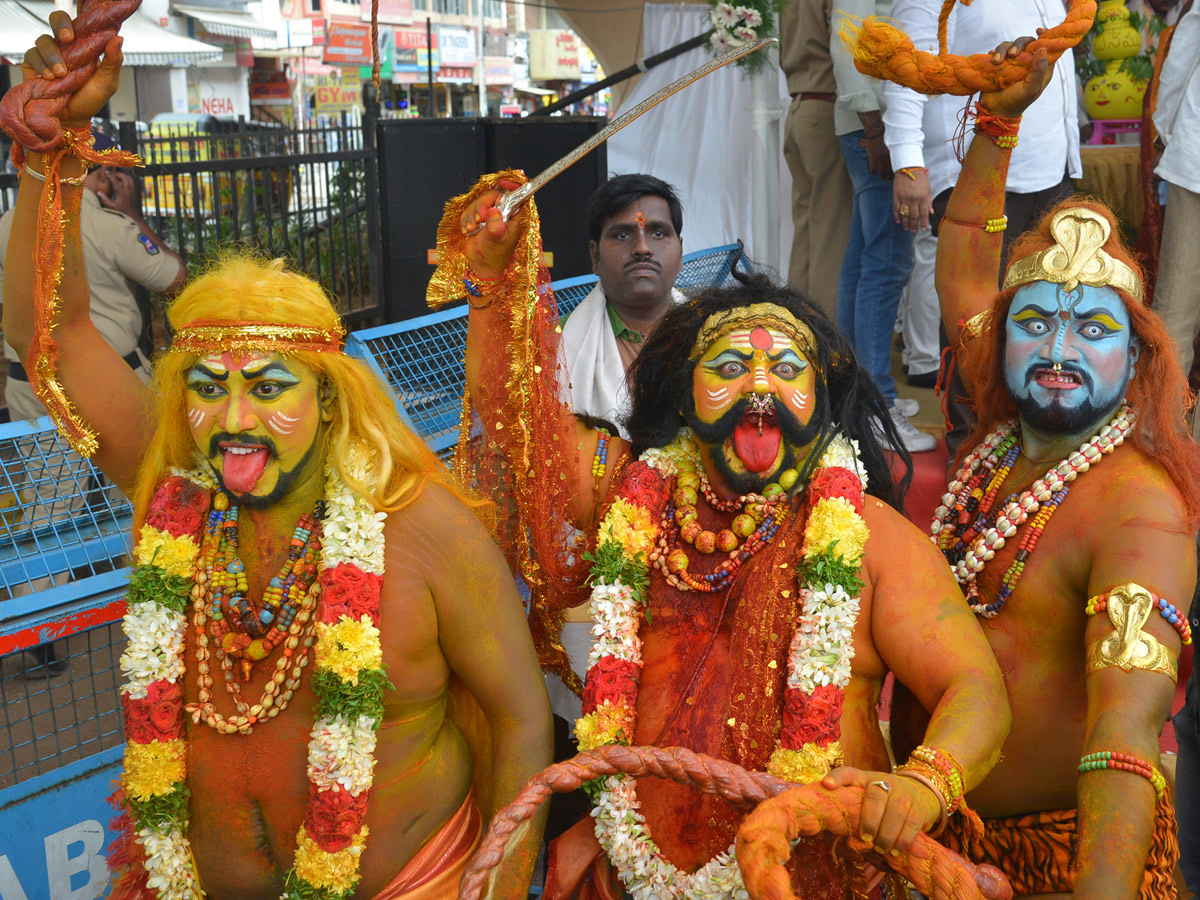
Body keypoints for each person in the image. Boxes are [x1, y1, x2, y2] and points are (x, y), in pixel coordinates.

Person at [5, 21, 551, 900]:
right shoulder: (175, 491)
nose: (233, 419)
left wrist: (502, 885)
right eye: (209, 387)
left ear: (329, 400)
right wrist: (49, 149)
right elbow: (52, 337)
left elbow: (522, 719)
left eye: (268, 387)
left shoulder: (423, 530)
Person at [433, 164, 1011, 897]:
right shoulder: (633, 497)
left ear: (820, 398)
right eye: (731, 366)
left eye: (786, 370)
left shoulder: (868, 536)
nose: (759, 387)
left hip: (810, 877)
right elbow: (525, 440)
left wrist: (925, 785)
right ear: (685, 392)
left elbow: (976, 688)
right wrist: (490, 284)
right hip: (633, 874)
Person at [888, 36, 1199, 898]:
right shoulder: (998, 444)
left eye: (1093, 330)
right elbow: (961, 251)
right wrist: (1000, 119)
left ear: (1136, 362)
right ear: (999, 336)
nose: (1059, 347)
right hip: (937, 843)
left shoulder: (1141, 512)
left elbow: (1126, 732)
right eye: (1037, 323)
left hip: (1062, 866)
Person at [882, 0, 1082, 450]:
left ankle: (1037, 444)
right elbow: (907, 68)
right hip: (976, 175)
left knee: (1049, 316)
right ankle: (968, 453)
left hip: (1051, 172)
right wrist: (908, 164)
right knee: (973, 324)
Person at [0, 132, 185, 420]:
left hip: (31, 389)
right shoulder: (110, 227)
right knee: (130, 466)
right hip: (110, 382)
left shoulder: (7, 226)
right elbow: (176, 283)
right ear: (104, 173)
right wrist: (132, 214)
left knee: (43, 466)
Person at [830, 0, 933, 454]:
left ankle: (856, 396)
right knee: (887, 261)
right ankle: (875, 408)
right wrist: (875, 128)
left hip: (872, 123)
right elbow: (847, 39)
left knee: (864, 257)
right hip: (873, 125)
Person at [561, 174, 685, 439]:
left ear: (681, 251)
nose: (642, 248)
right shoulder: (553, 345)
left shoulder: (718, 332)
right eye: (622, 234)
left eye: (658, 232)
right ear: (595, 257)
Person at [779, 0, 852, 320]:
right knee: (830, 234)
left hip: (798, 108)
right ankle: (824, 331)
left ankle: (796, 320)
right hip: (824, 108)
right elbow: (845, 45)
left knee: (807, 229)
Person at [1148, 2, 1200, 439]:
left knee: (1177, 311)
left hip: (1197, 161)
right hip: (1194, 162)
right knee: (1175, 316)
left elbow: (1181, 59)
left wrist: (1168, 132)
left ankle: (1162, 445)